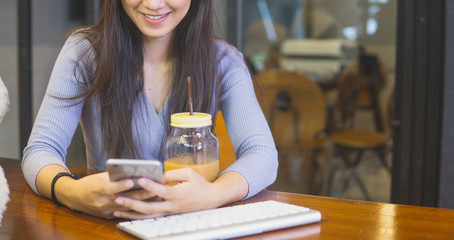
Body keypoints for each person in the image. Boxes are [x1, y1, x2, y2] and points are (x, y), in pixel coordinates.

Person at [21, 0, 278, 219]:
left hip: (194, 224)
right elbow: (40, 151)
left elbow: (262, 154)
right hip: (110, 224)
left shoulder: (223, 61)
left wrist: (213, 194)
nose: (153, 4)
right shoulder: (84, 53)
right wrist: (72, 193)